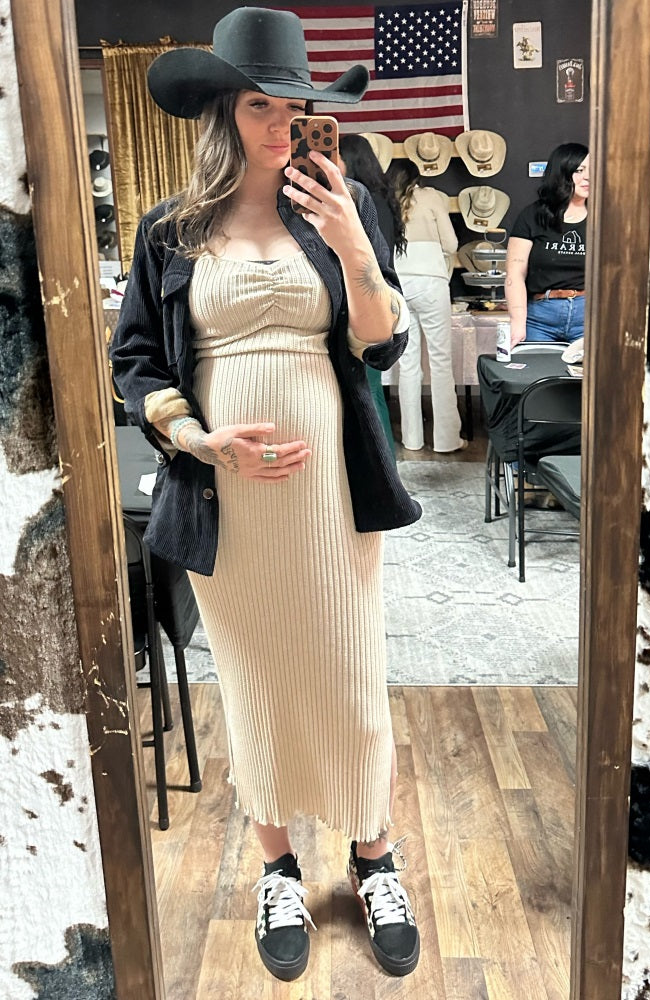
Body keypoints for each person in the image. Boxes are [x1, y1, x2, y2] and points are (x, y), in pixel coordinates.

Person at [110, 7, 422, 984]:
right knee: (253, 688)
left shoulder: (343, 201)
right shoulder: (170, 230)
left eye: (295, 106)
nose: (283, 123)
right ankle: (278, 869)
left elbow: (382, 342)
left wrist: (353, 245)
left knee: (352, 678)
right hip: (228, 501)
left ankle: (374, 858)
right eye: (260, 106)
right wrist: (197, 438)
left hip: (331, 491)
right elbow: (135, 361)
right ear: (222, 112)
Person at [385, 158, 466, 453]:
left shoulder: (385, 202)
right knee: (441, 362)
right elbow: (451, 244)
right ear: (417, 178)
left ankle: (412, 439)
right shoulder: (431, 197)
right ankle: (447, 440)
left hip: (398, 284)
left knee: (407, 364)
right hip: (431, 282)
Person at [339, 133, 406, 455]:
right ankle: (385, 465)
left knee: (369, 393)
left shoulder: (359, 203)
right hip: (376, 300)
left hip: (362, 304)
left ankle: (384, 467)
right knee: (371, 392)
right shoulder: (382, 200)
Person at [505, 142, 589, 347]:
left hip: (588, 317)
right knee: (538, 368)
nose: (588, 177)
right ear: (561, 173)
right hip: (540, 319)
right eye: (579, 170)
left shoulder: (604, 216)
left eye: (592, 170)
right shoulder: (532, 215)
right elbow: (515, 273)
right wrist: (517, 322)